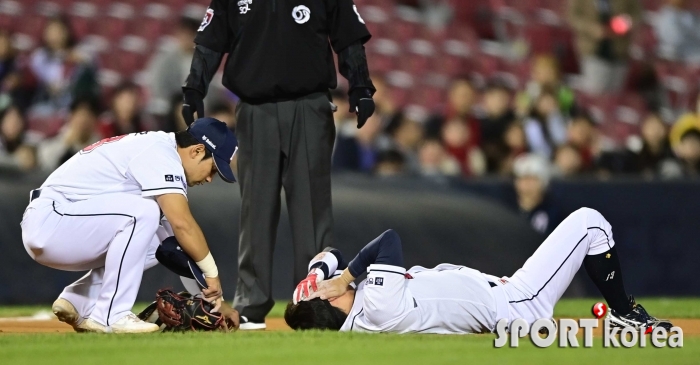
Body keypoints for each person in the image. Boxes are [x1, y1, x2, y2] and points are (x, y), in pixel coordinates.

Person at [182, 0, 376, 329]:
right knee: (255, 209)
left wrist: (360, 86)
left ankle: (315, 300)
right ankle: (250, 304)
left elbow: (348, 36)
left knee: (312, 211)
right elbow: (211, 39)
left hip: (310, 104)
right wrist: (194, 88)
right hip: (254, 108)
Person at [285, 208, 673, 334]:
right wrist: (345, 277)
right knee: (590, 223)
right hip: (517, 304)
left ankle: (623, 314)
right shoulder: (377, 307)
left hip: (503, 295)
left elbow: (330, 253)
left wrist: (320, 274)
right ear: (330, 301)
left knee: (589, 226)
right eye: (319, 289)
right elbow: (388, 240)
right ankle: (624, 314)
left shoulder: (349, 312)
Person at [21, 118, 239, 333]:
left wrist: (217, 302)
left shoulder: (159, 154)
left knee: (155, 242)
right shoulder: (160, 152)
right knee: (143, 213)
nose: (210, 178)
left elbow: (176, 247)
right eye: (212, 169)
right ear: (197, 151)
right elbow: (183, 223)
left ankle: (79, 299)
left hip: (66, 223)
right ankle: (111, 315)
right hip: (53, 218)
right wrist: (212, 272)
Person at [567, 0, 641, 94]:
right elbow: (572, 16)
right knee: (594, 94)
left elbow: (637, 14)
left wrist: (625, 23)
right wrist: (591, 28)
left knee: (614, 97)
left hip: (619, 50)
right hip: (593, 50)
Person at [512, 153, 560, 236]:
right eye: (523, 178)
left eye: (533, 179)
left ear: (543, 183)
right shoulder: (508, 209)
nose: (527, 184)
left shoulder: (554, 214)